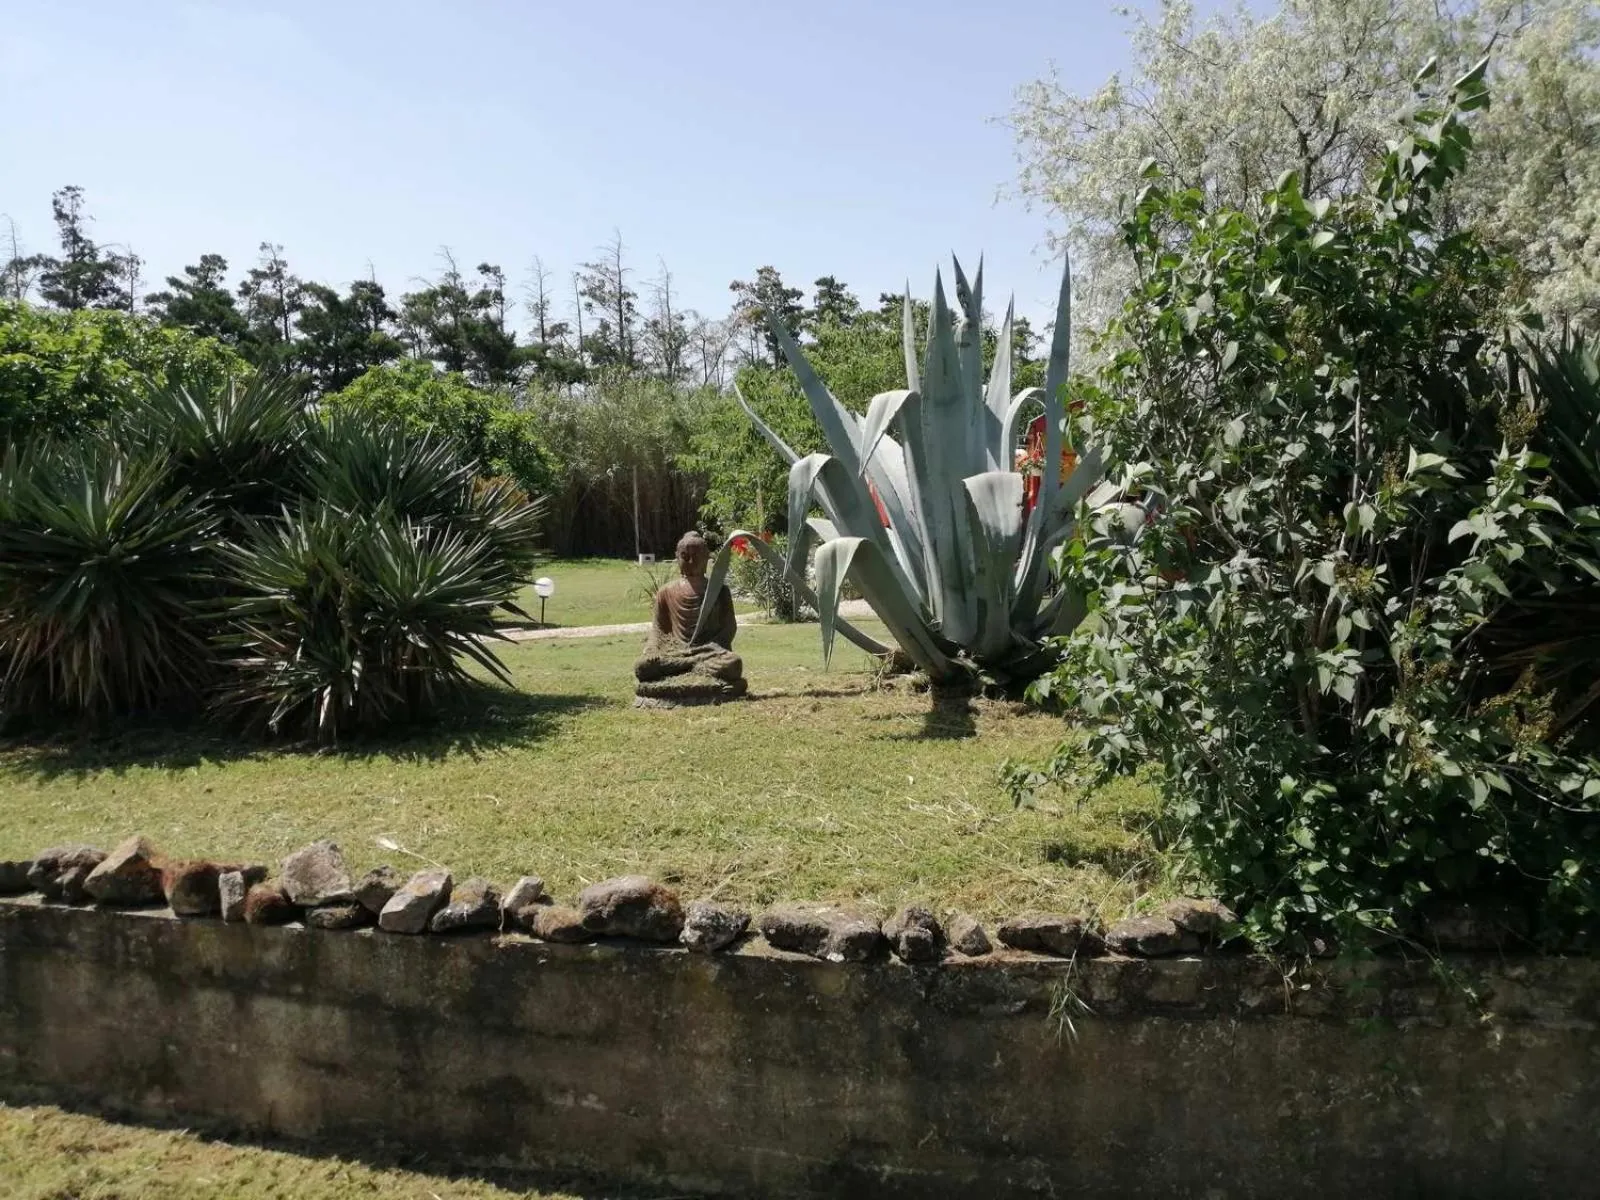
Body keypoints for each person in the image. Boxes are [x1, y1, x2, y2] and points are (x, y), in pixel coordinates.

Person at [652, 531, 737, 651]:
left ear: (706, 557)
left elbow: (729, 628)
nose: (691, 562)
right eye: (685, 557)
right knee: (646, 662)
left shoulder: (720, 590)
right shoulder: (665, 592)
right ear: (677, 557)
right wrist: (651, 648)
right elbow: (658, 630)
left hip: (710, 651)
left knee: (732, 660)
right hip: (678, 652)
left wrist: (713, 646)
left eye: (696, 556)